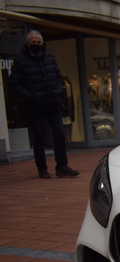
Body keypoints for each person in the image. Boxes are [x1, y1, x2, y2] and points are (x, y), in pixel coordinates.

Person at [9, 30, 79, 179]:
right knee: (39, 137)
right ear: (28, 44)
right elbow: (14, 83)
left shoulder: (50, 58)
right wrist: (30, 97)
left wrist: (58, 92)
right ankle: (42, 168)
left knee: (59, 134)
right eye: (33, 43)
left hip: (52, 103)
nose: (36, 45)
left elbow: (57, 77)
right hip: (35, 105)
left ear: (42, 43)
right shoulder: (21, 61)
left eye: (38, 42)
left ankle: (62, 166)